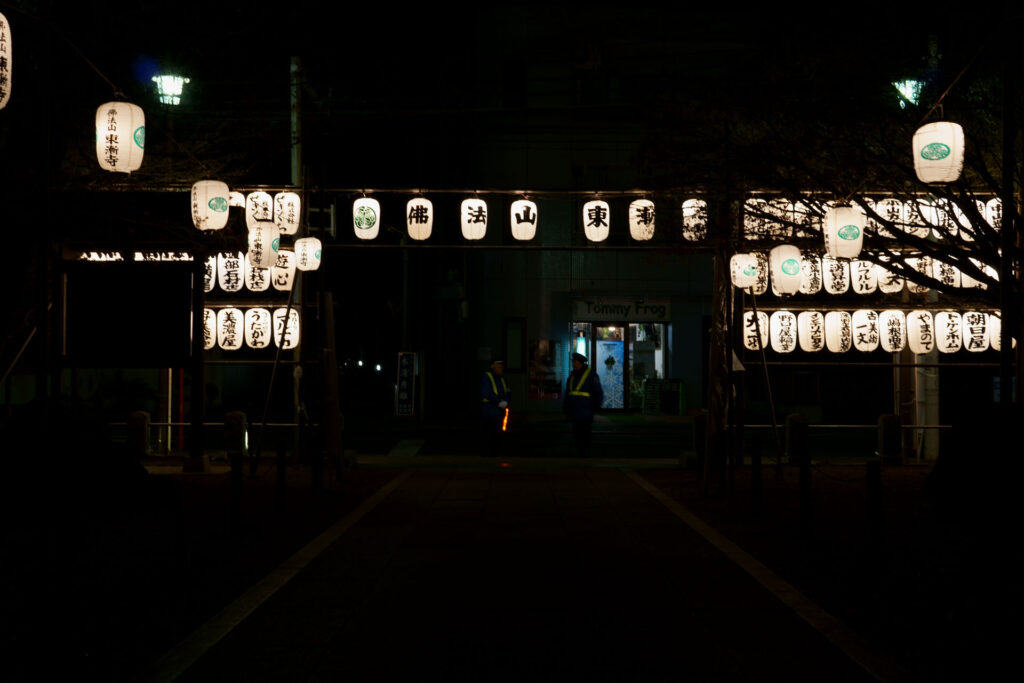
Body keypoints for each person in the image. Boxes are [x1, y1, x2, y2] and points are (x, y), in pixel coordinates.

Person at [563, 352, 603, 457]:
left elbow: (598, 392)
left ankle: (584, 456)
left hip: (586, 413)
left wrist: (595, 407)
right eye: (573, 361)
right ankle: (581, 455)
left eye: (575, 362)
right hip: (576, 413)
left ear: (581, 363)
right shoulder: (572, 376)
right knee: (577, 436)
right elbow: (568, 393)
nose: (573, 364)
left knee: (584, 436)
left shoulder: (590, 375)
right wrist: (566, 409)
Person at [480, 359, 510, 456]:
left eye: (501, 366)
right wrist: (499, 402)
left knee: (498, 432)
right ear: (492, 366)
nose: (500, 367)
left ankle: (495, 453)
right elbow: (486, 392)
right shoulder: (487, 377)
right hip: (490, 410)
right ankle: (489, 454)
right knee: (490, 432)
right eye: (498, 365)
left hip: (499, 410)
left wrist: (506, 402)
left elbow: (508, 391)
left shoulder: (502, 378)